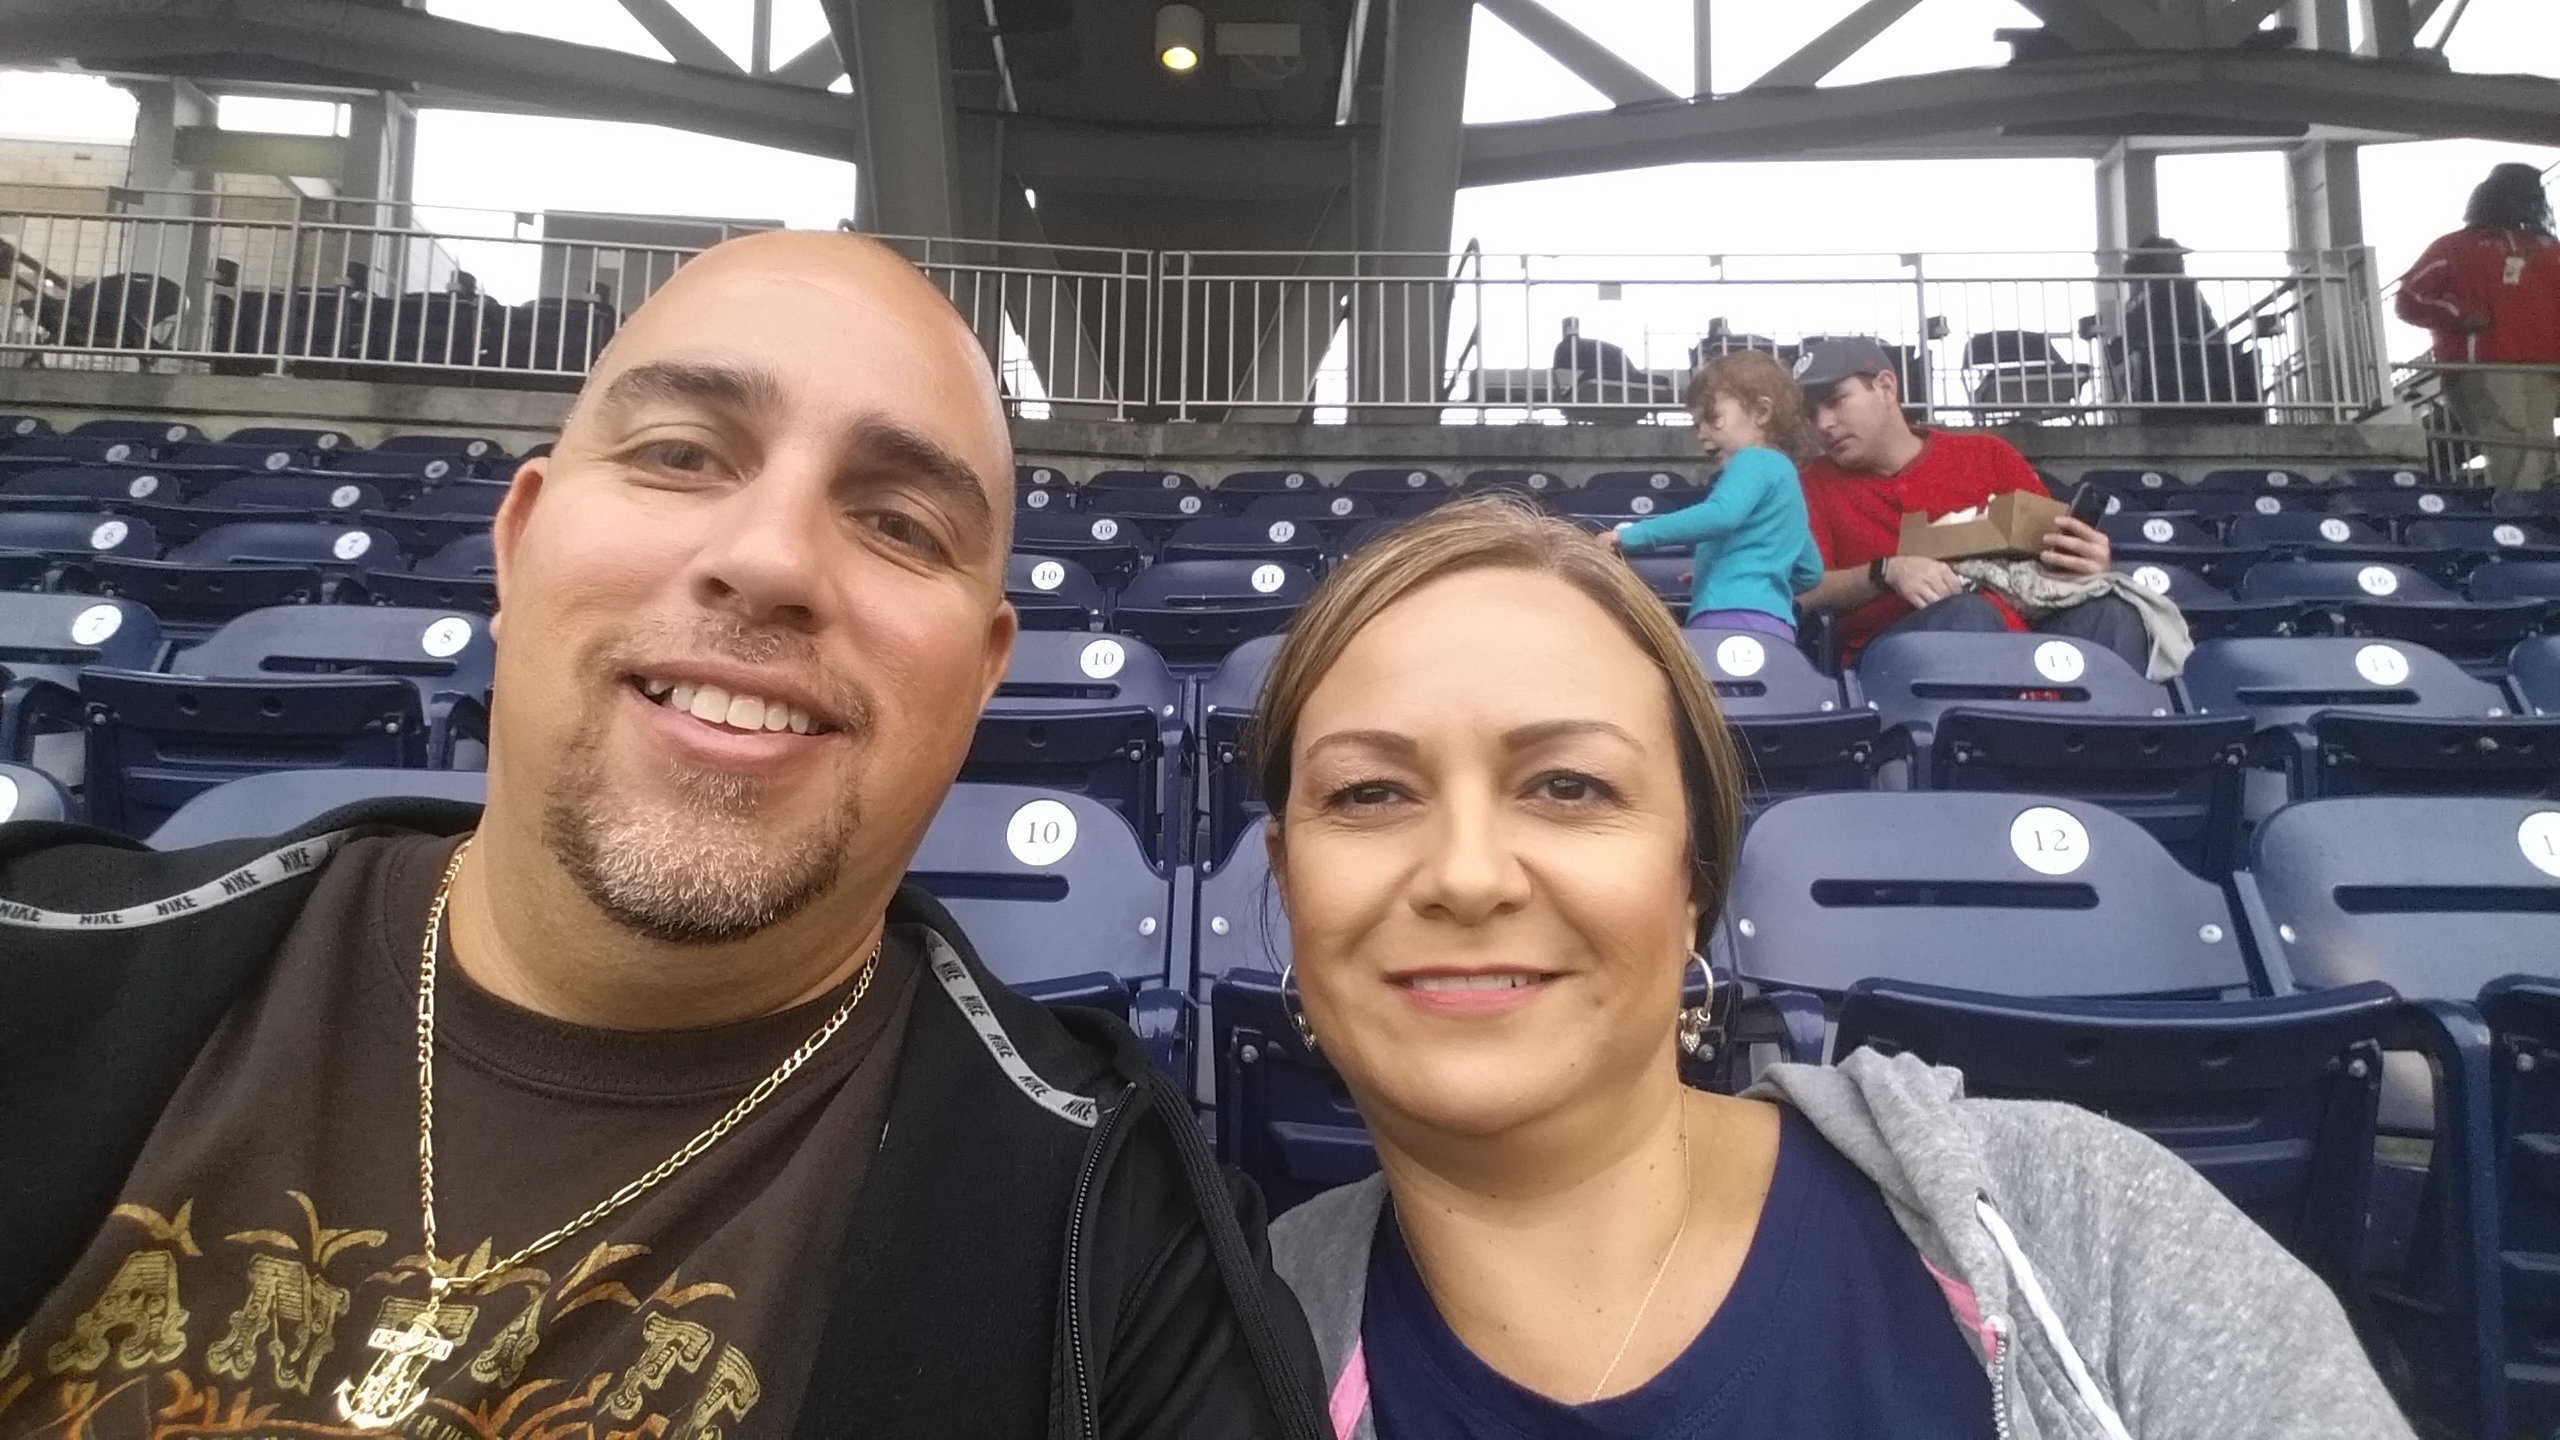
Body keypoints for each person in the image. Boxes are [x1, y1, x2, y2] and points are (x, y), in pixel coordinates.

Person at [0, 232, 1327, 1440]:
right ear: (518, 546)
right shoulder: (42, 959)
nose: (772, 558)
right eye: (681, 454)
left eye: (898, 522)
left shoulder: (1122, 1247)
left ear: (983, 678)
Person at [1253, 497, 2413, 1440]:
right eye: (1370, 793)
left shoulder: (2078, 1226)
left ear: (1692, 877)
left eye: (1568, 786)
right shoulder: (1213, 1344)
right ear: (1288, 879)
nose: (1464, 876)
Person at [1790, 336, 2152, 669]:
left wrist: (2088, 563)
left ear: (1886, 387)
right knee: (1968, 614)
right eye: (1811, 413)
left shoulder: (1987, 455)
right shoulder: (1809, 483)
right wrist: (1885, 572)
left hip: (2025, 637)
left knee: (2114, 612)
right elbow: (1803, 593)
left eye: (1835, 401)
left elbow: (2049, 560)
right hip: (1896, 661)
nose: (1823, 423)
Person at [1601, 349, 1822, 642]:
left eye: (1712, 418)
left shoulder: (1752, 460)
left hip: (1727, 617)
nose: (1701, 434)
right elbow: (1811, 571)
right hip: (1777, 627)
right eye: (1697, 424)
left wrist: (1629, 536)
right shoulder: (1785, 475)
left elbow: (1719, 516)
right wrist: (1732, 575)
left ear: (1761, 413)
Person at [2396, 162, 2560, 490]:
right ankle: (2522, 509)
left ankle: (2532, 507)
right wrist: (2459, 316)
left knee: (2537, 442)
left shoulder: (2549, 249)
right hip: (2486, 360)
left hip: (2542, 365)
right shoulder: (2456, 247)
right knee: (2513, 438)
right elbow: (2410, 297)